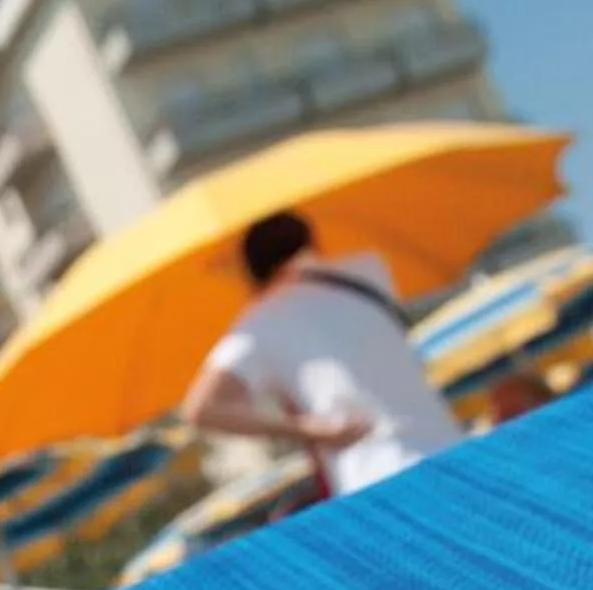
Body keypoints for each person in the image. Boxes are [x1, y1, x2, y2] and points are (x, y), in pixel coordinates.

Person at [181, 210, 468, 498]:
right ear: (310, 240)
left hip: (373, 475)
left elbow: (200, 408)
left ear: (253, 268)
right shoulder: (369, 269)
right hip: (449, 448)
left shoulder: (259, 322)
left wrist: (307, 429)